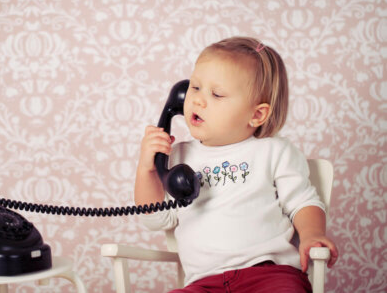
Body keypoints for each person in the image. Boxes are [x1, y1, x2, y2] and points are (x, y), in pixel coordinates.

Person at [134, 37, 338, 292]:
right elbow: (157, 219)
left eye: (216, 94)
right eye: (195, 87)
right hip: (203, 282)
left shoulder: (273, 151)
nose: (197, 100)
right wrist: (148, 169)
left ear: (256, 115)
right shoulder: (178, 158)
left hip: (269, 274)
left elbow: (303, 202)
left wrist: (311, 234)